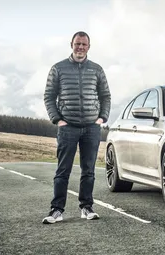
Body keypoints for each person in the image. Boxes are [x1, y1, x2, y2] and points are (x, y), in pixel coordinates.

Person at [42, 31, 111, 224]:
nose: (80, 47)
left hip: (92, 127)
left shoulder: (97, 69)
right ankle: (56, 210)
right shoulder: (58, 68)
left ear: (89, 46)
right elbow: (49, 96)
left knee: (88, 170)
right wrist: (57, 119)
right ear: (71, 44)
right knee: (63, 170)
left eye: (84, 44)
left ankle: (86, 207)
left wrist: (101, 118)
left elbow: (105, 95)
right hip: (67, 127)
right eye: (77, 44)